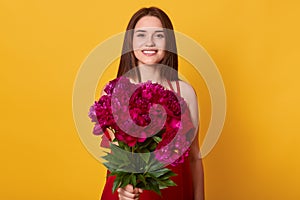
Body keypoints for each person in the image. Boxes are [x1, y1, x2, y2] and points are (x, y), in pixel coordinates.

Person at [100, 7, 205, 200]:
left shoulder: (186, 93)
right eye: (141, 35)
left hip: (175, 193)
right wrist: (123, 191)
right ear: (130, 42)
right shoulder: (116, 92)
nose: (149, 42)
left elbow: (194, 158)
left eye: (159, 35)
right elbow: (116, 160)